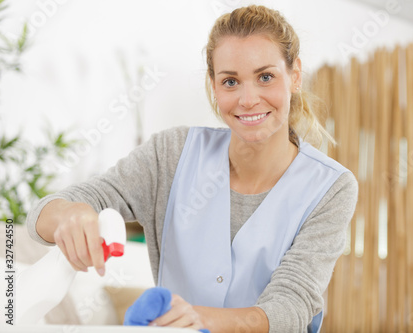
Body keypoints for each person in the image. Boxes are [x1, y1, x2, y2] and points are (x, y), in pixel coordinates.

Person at [26, 5, 358, 333]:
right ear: (214, 86)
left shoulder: (330, 187)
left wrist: (200, 320)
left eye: (265, 77)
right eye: (231, 81)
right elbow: (41, 216)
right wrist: (69, 214)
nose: (248, 99)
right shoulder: (171, 155)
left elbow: (291, 305)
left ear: (295, 76)